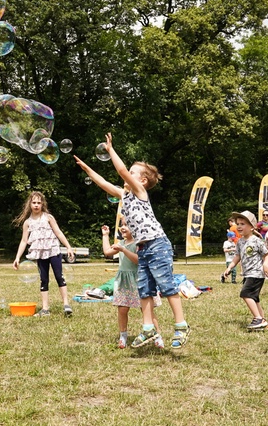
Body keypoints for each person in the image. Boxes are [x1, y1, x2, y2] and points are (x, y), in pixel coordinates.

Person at [76, 133, 190, 349]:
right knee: (144, 289)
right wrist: (87, 169)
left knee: (166, 285)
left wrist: (110, 151)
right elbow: (104, 183)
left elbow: (119, 171)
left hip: (157, 243)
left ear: (142, 181)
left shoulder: (139, 192)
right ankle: (148, 328)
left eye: (132, 173)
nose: (126, 174)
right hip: (143, 248)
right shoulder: (124, 195)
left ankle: (181, 325)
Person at [13, 191, 76, 317]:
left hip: (53, 250)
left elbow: (58, 233)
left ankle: (66, 305)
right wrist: (17, 257)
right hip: (40, 254)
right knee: (44, 280)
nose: (36, 205)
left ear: (42, 204)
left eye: (39, 203)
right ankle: (45, 309)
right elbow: (24, 241)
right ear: (29, 204)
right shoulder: (28, 223)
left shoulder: (48, 217)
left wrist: (68, 247)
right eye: (34, 202)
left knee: (59, 276)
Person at [102, 222, 163, 349]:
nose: (122, 227)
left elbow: (138, 260)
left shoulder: (139, 244)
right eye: (121, 225)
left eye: (127, 225)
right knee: (122, 309)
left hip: (139, 279)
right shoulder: (121, 243)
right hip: (124, 281)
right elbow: (107, 252)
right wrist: (105, 236)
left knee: (147, 310)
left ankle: (157, 336)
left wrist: (123, 250)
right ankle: (123, 336)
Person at [221, 211, 268, 330]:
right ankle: (263, 320)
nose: (239, 226)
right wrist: (229, 267)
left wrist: (265, 264)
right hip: (248, 274)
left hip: (257, 273)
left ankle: (258, 319)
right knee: (254, 298)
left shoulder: (257, 241)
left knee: (245, 294)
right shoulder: (240, 241)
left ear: (252, 227)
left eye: (242, 224)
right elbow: (237, 256)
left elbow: (267, 255)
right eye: (238, 223)